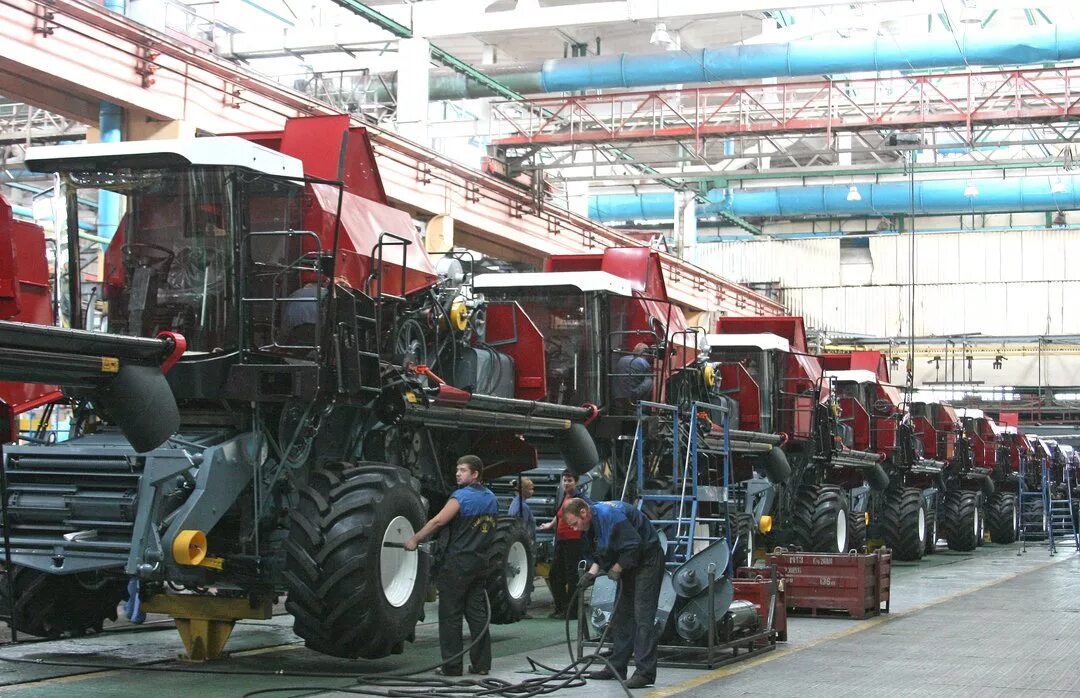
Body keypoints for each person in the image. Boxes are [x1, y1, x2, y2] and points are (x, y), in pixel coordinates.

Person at [405, 455, 498, 677]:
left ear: (475, 474)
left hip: (456, 565)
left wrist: (414, 539)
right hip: (480, 564)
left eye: (463, 470)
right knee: (477, 615)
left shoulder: (461, 498)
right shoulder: (491, 498)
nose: (457, 473)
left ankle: (452, 666)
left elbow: (438, 521)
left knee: (450, 616)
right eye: (457, 469)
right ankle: (482, 664)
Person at [561, 498, 664, 689]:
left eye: (575, 524)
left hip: (647, 560)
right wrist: (591, 574)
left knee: (643, 616)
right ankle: (616, 667)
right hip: (631, 563)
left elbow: (633, 545)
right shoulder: (591, 524)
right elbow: (601, 551)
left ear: (584, 512)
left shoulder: (611, 516)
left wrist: (617, 567)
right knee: (621, 616)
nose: (575, 529)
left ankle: (645, 673)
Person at [538, 470, 588, 619]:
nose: (566, 483)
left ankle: (571, 612)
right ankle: (561, 607)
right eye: (564, 480)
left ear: (576, 482)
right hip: (561, 540)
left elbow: (588, 516)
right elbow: (559, 514)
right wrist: (550, 525)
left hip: (574, 542)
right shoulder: (564, 496)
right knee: (554, 575)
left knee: (572, 577)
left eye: (569, 480)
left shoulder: (580, 499)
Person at [280, 271, 326, 346]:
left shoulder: (294, 294)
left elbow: (286, 323)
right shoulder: (326, 294)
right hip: (319, 334)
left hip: (296, 334)